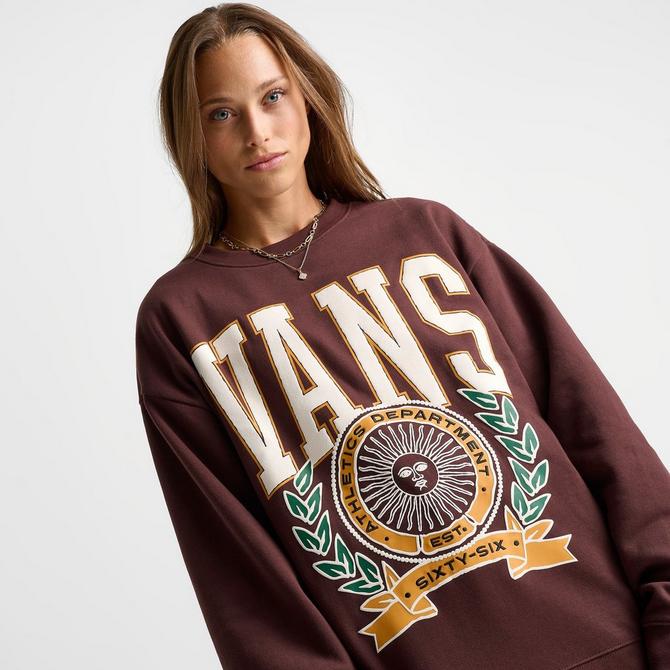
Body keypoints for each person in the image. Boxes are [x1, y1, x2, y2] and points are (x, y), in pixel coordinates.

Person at [135, 4, 670, 669]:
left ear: (308, 98)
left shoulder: (427, 235)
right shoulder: (182, 318)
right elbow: (236, 571)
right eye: (221, 113)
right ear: (190, 136)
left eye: (273, 96)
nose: (257, 131)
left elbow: (593, 424)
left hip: (613, 641)